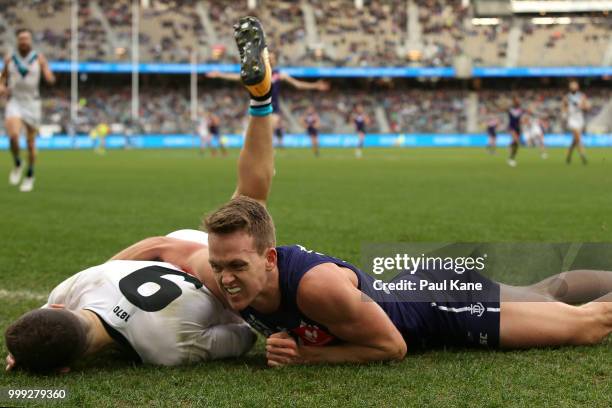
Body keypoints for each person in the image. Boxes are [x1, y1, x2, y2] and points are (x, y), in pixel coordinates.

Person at [113, 17, 612, 367]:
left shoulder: (315, 288)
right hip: (414, 281)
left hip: (442, 310)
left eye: (236, 267)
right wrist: (81, 292)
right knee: (546, 292)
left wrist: (308, 355)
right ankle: (263, 99)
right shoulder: (230, 269)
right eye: (219, 267)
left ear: (268, 258)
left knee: (587, 325)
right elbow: (162, 247)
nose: (223, 279)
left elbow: (390, 347)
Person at [4, 17, 280, 374]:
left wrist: (41, 352)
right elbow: (49, 321)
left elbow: (244, 335)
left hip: (211, 273)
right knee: (249, 199)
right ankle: (261, 101)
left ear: (64, 370)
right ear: (54, 311)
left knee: (253, 203)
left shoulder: (166, 349)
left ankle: (261, 103)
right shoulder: (67, 292)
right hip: (174, 246)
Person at [207, 51, 328, 149]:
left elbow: (298, 84)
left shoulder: (279, 74)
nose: (270, 59)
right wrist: (220, 74)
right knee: (256, 135)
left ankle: (266, 159)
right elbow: (238, 77)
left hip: (273, 108)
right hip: (257, 107)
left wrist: (315, 85)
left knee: (268, 134)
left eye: (273, 58)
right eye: (268, 57)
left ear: (275, 61)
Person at [0, 28, 56, 192]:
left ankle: (30, 175)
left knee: (31, 144)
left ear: (30, 41)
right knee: (14, 137)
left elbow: (48, 75)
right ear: (17, 41)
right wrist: (2, 87)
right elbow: (3, 78)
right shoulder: (10, 59)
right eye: (21, 38)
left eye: (26, 39)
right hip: (15, 101)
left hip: (32, 103)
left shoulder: (38, 58)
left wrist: (50, 78)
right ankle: (17, 162)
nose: (24, 41)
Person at [563, 80, 589, 165]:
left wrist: (582, 106)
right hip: (571, 119)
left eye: (575, 85)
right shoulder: (567, 97)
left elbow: (586, 107)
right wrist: (565, 114)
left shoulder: (582, 96)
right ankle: (583, 154)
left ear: (577, 87)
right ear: (569, 87)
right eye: (571, 86)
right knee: (578, 137)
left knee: (575, 140)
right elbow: (564, 107)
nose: (573, 87)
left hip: (580, 118)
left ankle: (568, 155)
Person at [506, 96, 523, 167]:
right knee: (516, 140)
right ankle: (511, 159)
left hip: (518, 128)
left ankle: (510, 148)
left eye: (519, 101)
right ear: (514, 102)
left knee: (516, 144)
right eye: (517, 101)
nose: (518, 102)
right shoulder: (510, 109)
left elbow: (529, 112)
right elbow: (502, 109)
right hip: (511, 127)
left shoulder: (521, 110)